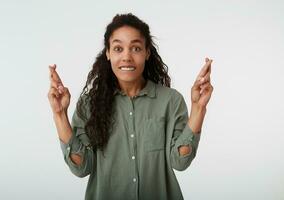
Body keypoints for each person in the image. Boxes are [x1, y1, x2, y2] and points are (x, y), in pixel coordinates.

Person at [47, 13, 213, 200]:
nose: (126, 57)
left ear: (147, 52)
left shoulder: (170, 101)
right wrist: (59, 114)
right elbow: (81, 167)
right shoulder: (88, 104)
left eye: (135, 48)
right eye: (118, 48)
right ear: (108, 53)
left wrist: (199, 108)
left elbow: (180, 161)